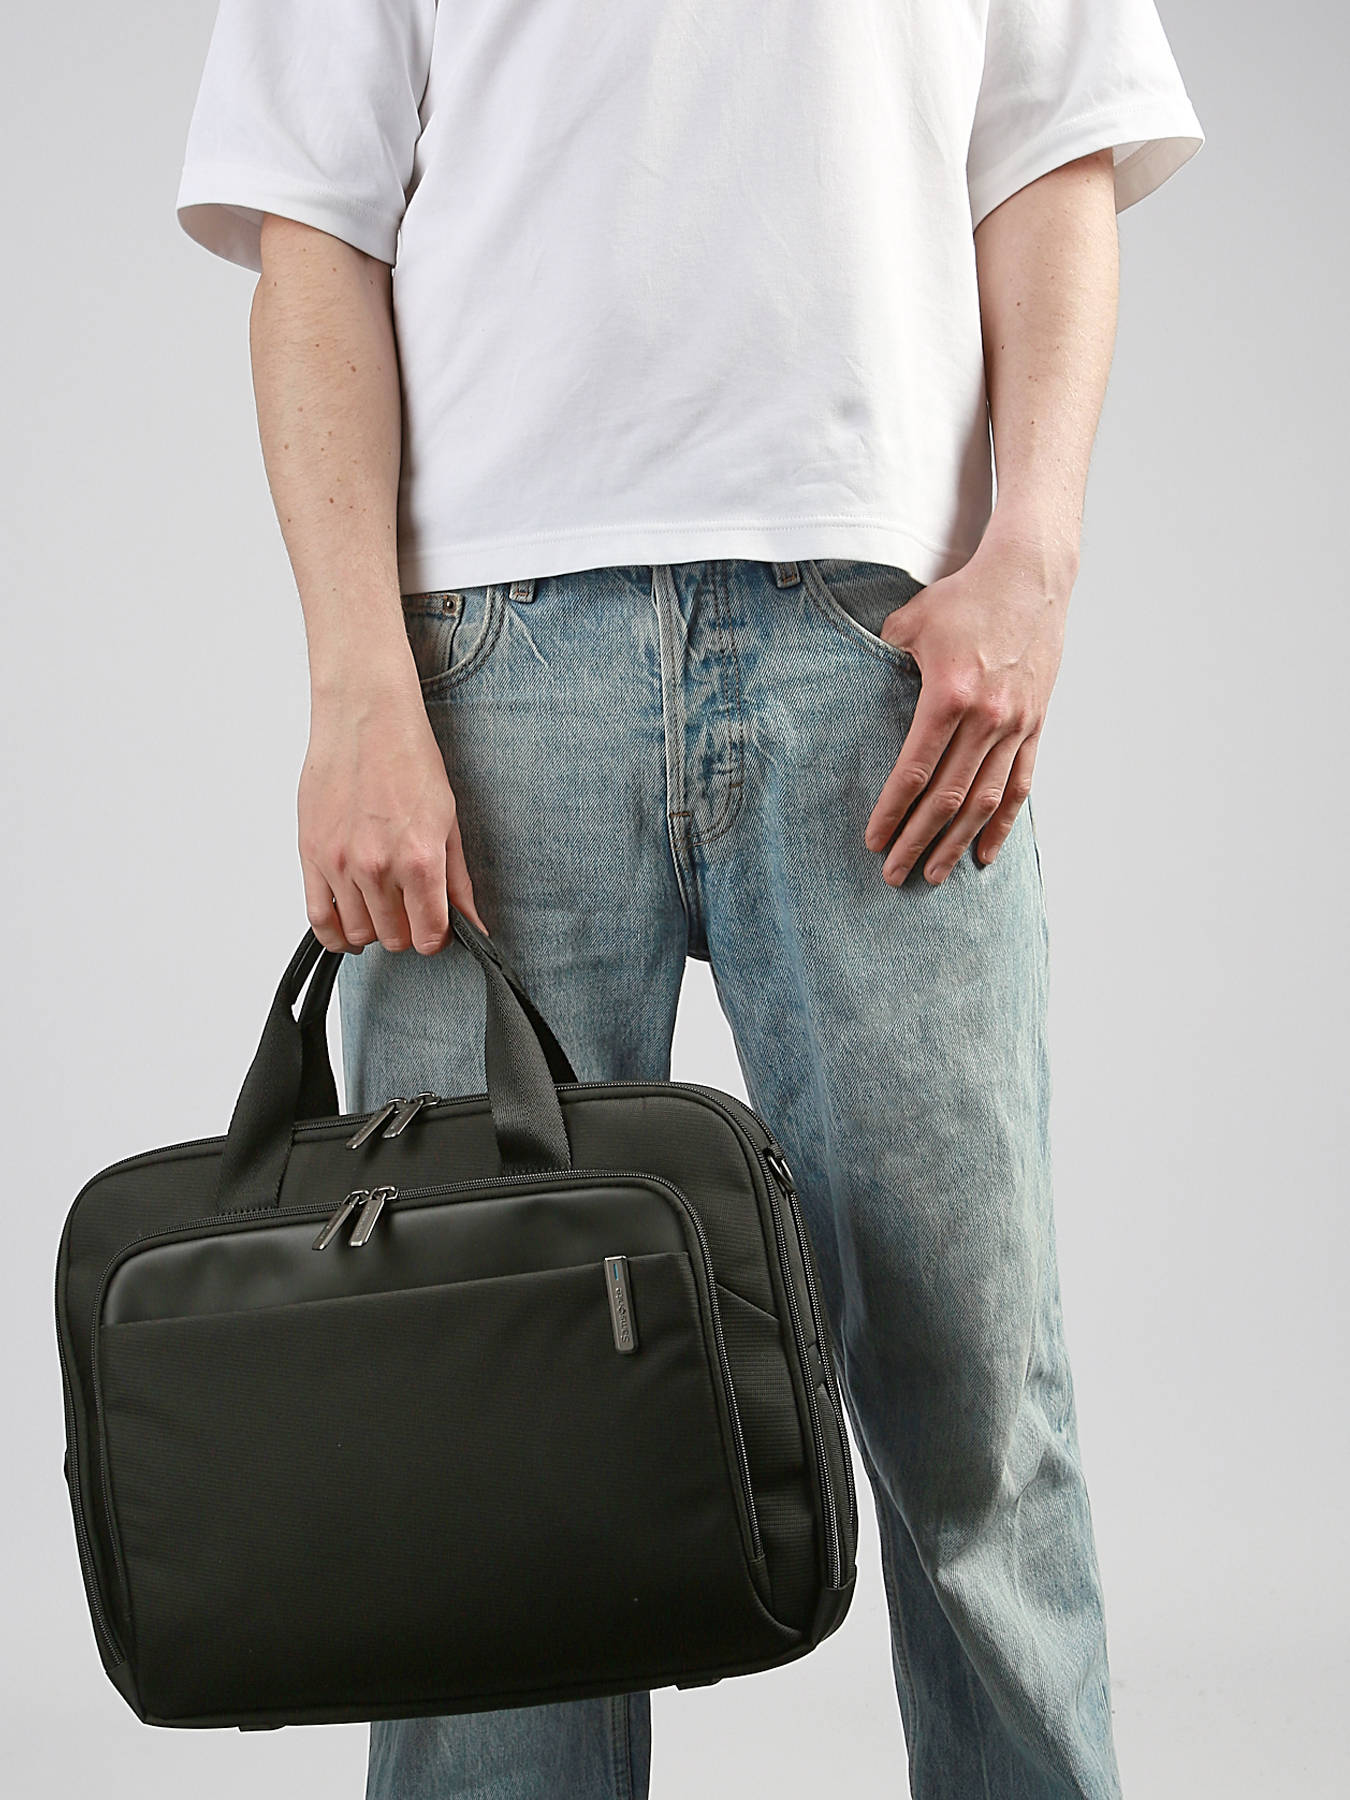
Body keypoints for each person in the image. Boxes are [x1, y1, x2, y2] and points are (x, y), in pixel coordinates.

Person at [174, 3, 1203, 1795]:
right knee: (485, 1416)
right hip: (487, 677)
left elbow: (1054, 153)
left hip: (877, 661)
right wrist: (355, 688)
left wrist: (1031, 559)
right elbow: (309, 226)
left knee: (972, 1400)